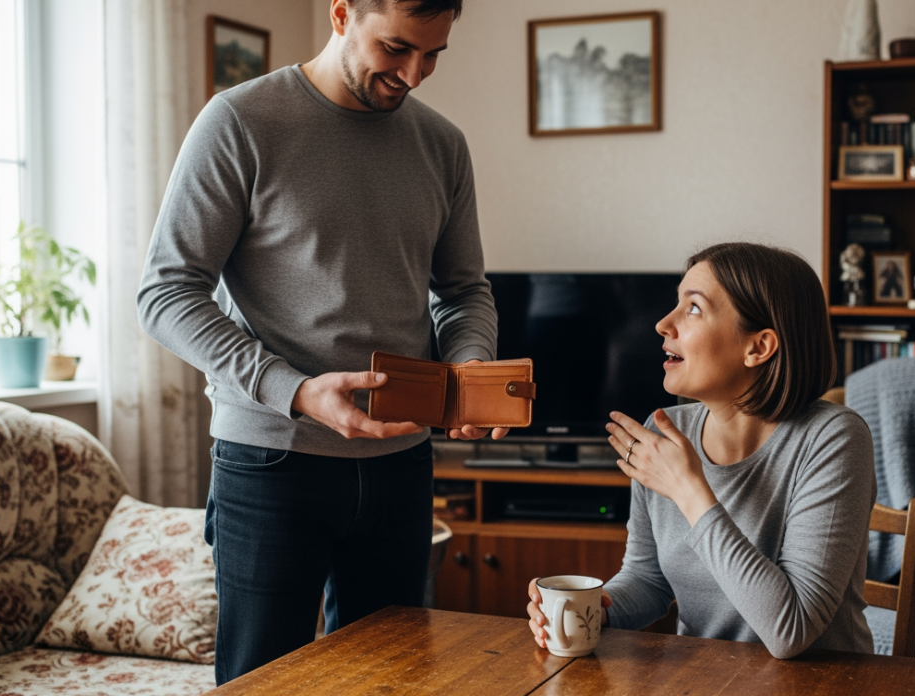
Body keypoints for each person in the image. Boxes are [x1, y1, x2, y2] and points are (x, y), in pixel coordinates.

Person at [137, 0, 503, 684]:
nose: (414, 74)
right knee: (261, 681)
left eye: (432, 55)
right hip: (272, 460)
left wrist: (468, 368)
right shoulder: (240, 121)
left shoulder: (443, 144)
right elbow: (165, 294)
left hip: (401, 465)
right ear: (340, 14)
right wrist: (297, 391)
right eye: (396, 48)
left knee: (389, 681)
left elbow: (462, 291)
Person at [525, 242, 876, 659]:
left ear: (758, 347)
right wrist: (593, 612)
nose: (662, 324)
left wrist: (688, 490)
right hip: (702, 678)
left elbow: (791, 630)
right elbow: (648, 579)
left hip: (822, 682)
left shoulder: (833, 439)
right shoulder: (665, 432)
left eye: (693, 308)